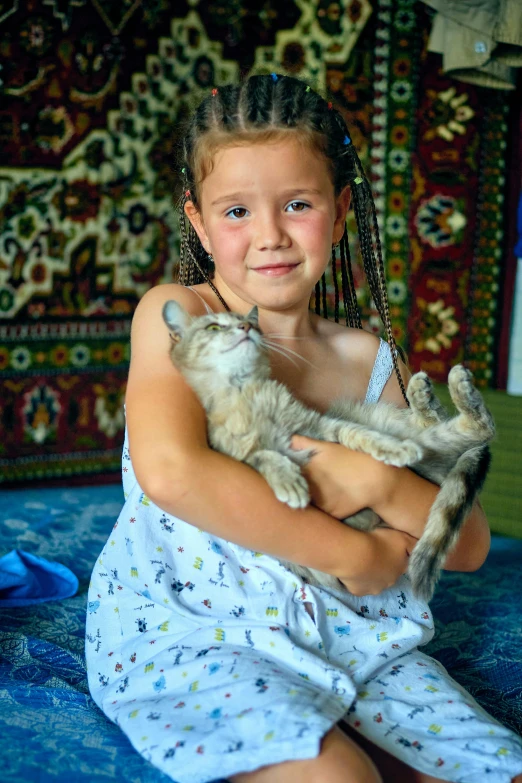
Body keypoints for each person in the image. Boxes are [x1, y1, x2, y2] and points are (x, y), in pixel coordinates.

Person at [85, 74, 522, 783]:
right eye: (236, 211)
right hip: (200, 631)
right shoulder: (179, 317)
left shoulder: (370, 359)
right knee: (342, 778)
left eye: (297, 204)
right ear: (197, 222)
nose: (271, 236)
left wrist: (375, 477)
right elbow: (172, 472)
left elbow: (466, 542)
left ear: (340, 209)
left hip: (356, 636)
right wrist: (355, 552)